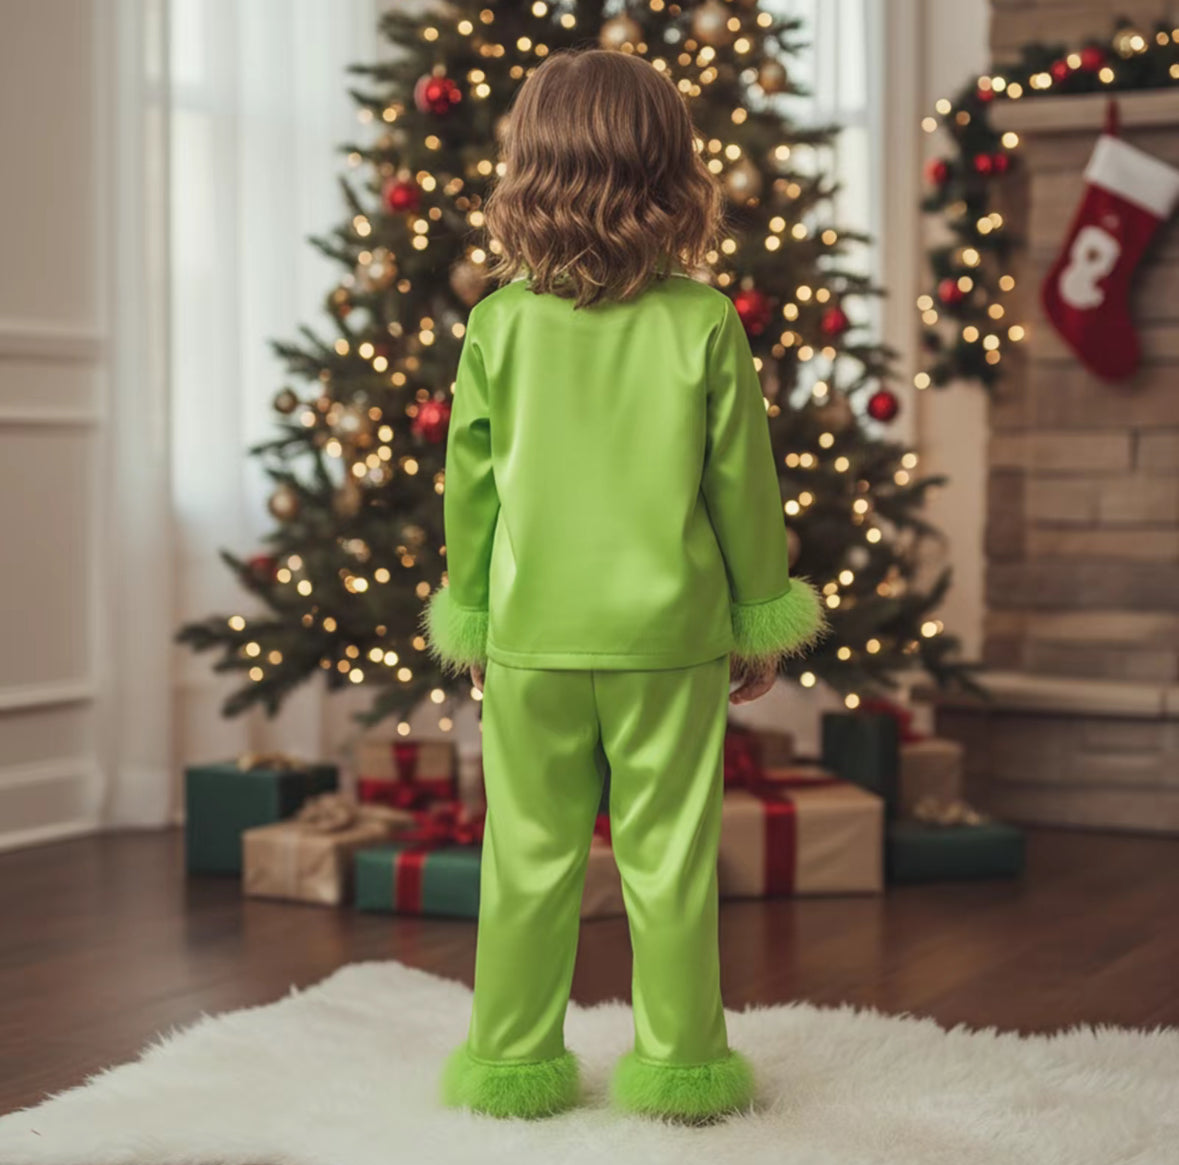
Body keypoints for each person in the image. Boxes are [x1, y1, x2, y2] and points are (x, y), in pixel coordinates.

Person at [424, 47, 827, 1123]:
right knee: (671, 858)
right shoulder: (702, 320)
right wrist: (759, 618)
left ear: (529, 168)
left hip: (533, 634)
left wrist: (473, 615)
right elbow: (743, 487)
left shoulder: (499, 326)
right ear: (670, 173)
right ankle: (683, 1064)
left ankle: (511, 1062)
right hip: (670, 633)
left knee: (527, 857)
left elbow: (473, 493)